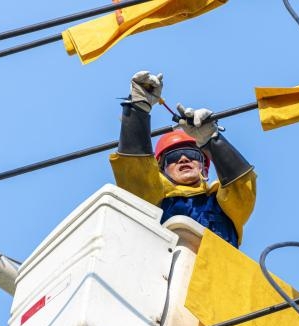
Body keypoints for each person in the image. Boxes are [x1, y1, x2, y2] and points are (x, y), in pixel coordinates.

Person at [109, 70, 256, 247]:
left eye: (193, 155)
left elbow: (241, 187)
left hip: (218, 272)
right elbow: (135, 170)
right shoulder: (154, 201)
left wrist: (212, 139)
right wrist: (138, 109)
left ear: (205, 168)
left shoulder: (222, 205)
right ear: (161, 170)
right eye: (174, 156)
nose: (184, 159)